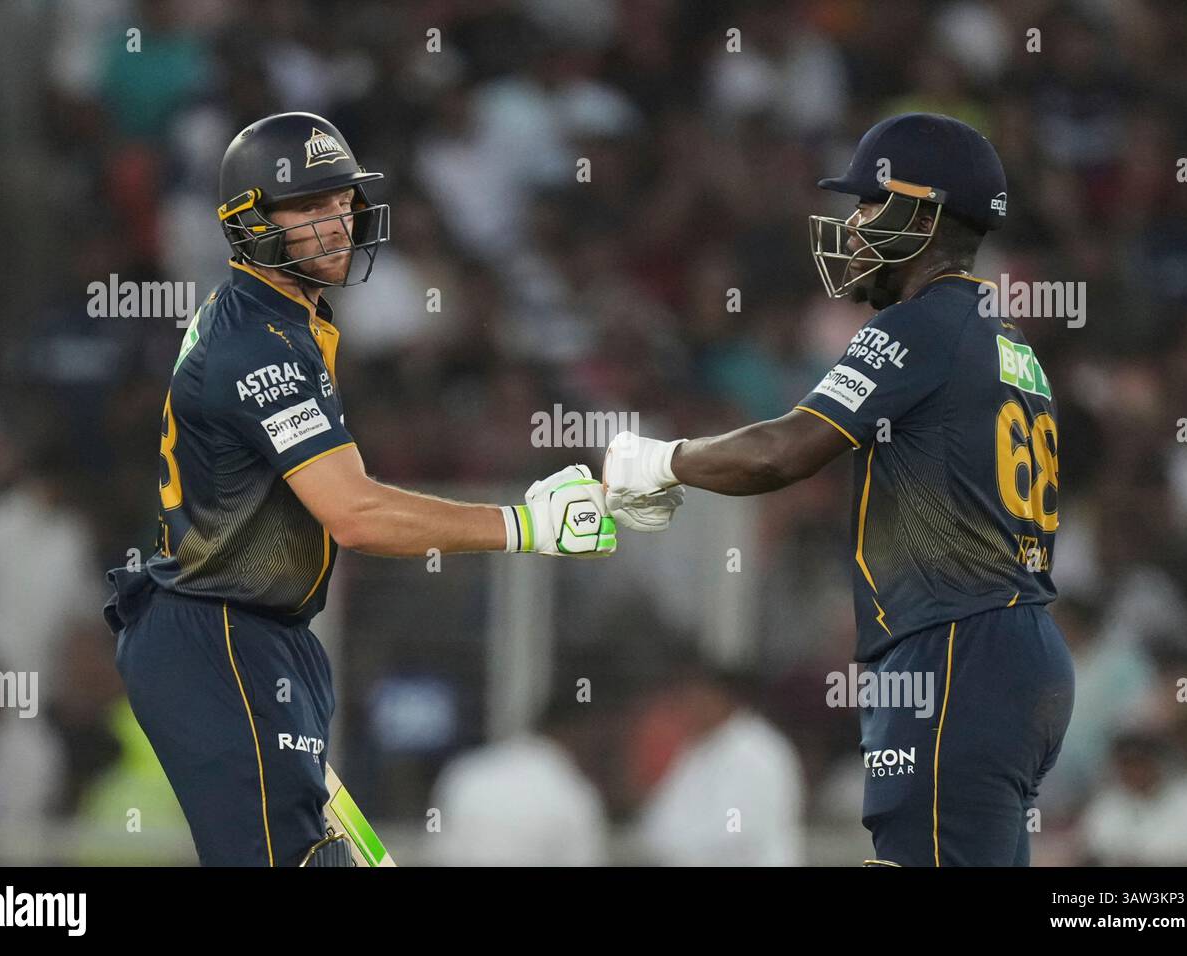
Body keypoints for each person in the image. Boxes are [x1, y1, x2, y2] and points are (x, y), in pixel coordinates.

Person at [101, 112, 616, 867]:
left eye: (340, 201)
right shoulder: (257, 341)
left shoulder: (286, 323)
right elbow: (357, 513)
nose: (336, 222)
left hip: (257, 638)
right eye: (308, 207)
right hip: (219, 637)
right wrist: (525, 524)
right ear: (249, 223)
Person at [604, 113, 1075, 866]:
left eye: (867, 205)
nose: (850, 226)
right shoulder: (1006, 337)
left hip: (953, 649)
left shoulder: (924, 324)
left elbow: (783, 453)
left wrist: (660, 461)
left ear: (921, 215)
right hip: (1011, 648)